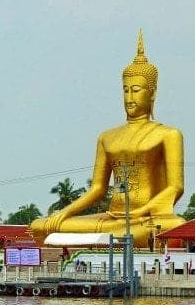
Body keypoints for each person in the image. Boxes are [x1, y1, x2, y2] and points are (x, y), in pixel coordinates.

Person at [30, 30, 186, 244]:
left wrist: (140, 212)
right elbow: (98, 189)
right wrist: (64, 213)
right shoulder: (107, 137)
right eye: (125, 90)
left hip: (147, 218)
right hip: (111, 218)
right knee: (40, 226)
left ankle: (119, 236)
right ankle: (112, 236)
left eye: (136, 90)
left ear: (153, 93)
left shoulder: (168, 134)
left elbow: (175, 187)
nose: (129, 97)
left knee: (174, 226)